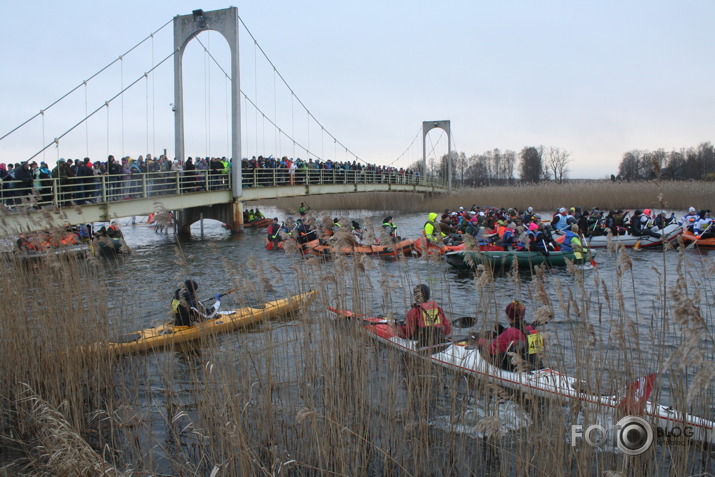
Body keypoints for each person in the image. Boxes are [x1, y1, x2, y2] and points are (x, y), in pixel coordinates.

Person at [477, 300, 543, 370]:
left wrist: (480, 341)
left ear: (508, 316)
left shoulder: (510, 332)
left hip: (515, 368)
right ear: (523, 315)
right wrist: (501, 332)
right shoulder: (533, 331)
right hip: (535, 366)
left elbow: (493, 350)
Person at [397, 284, 451, 349]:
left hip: (421, 343)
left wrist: (396, 330)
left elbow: (407, 333)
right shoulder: (438, 309)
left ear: (416, 297)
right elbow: (447, 329)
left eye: (415, 294)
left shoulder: (413, 311)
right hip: (437, 340)